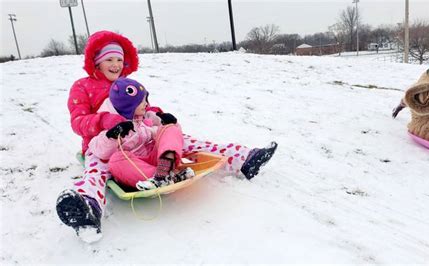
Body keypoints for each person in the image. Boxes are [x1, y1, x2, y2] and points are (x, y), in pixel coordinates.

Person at [56, 31, 278, 242]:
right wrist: (107, 122)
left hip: (143, 139)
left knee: (183, 139)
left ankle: (243, 159)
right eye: (109, 59)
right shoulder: (82, 87)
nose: (115, 65)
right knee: (96, 172)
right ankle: (88, 210)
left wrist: (161, 116)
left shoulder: (129, 85)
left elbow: (146, 108)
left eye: (119, 60)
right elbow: (78, 122)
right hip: (104, 145)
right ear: (96, 60)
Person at [88, 77, 194, 191]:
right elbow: (98, 150)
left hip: (157, 162)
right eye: (142, 101)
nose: (146, 104)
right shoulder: (115, 125)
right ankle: (166, 178)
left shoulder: (144, 122)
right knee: (115, 160)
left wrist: (171, 124)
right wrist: (112, 135)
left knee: (169, 129)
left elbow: (166, 136)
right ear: (129, 105)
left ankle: (163, 174)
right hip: (135, 168)